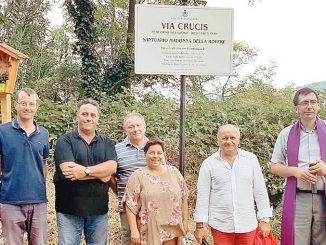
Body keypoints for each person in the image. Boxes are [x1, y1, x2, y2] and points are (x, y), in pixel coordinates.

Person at [194, 124, 272, 245]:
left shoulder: (251, 160)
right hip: (220, 225)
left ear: (238, 139)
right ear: (217, 140)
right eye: (224, 138)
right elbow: (203, 196)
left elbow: (260, 190)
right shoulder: (208, 164)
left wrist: (265, 219)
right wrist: (200, 225)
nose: (229, 141)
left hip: (247, 224)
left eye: (232, 138)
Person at [53, 99, 117, 245]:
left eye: (93, 115)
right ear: (78, 117)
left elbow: (112, 169)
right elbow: (69, 171)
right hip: (68, 210)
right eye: (85, 114)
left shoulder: (107, 143)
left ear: (98, 119)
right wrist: (101, 173)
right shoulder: (64, 141)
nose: (89, 118)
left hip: (99, 211)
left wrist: (85, 171)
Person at [271, 87, 326, 245]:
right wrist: (295, 171)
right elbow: (274, 166)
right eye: (304, 103)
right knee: (297, 241)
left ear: (318, 106)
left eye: (313, 102)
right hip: (298, 198)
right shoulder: (286, 134)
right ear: (296, 109)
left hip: (323, 197)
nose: (309, 106)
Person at [0, 87, 49, 244]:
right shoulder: (2, 131)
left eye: (31, 104)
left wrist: (40, 187)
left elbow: (44, 164)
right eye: (23, 103)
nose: (27, 107)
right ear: (16, 105)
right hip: (10, 201)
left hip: (38, 201)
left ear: (36, 107)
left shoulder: (44, 133)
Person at [124, 139, 189, 245]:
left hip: (173, 228)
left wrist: (185, 222)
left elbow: (184, 198)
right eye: (152, 153)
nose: (156, 156)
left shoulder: (174, 172)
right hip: (150, 229)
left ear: (163, 154)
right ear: (145, 154)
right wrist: (134, 230)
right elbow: (130, 204)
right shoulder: (138, 175)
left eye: (159, 153)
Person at [113, 112, 148, 244]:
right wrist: (123, 193)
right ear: (125, 130)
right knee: (130, 240)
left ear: (145, 127)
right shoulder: (117, 150)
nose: (135, 129)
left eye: (138, 125)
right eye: (131, 126)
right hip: (128, 209)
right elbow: (112, 177)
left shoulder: (154, 148)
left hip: (152, 207)